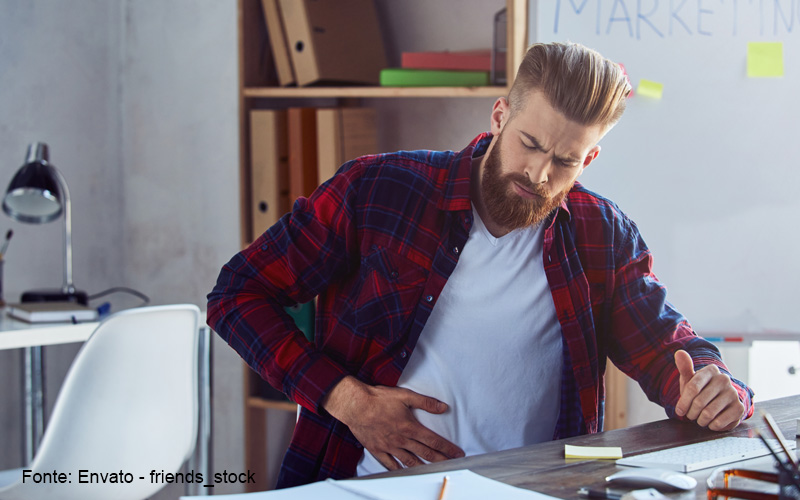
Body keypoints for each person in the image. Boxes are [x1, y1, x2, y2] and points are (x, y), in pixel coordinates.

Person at [207, 41, 754, 488]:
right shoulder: (380, 190)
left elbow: (668, 350)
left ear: (588, 159)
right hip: (366, 485)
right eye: (529, 144)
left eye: (564, 160)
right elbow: (236, 295)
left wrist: (715, 386)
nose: (539, 174)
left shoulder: (601, 236)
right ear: (499, 115)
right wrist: (346, 400)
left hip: (531, 490)